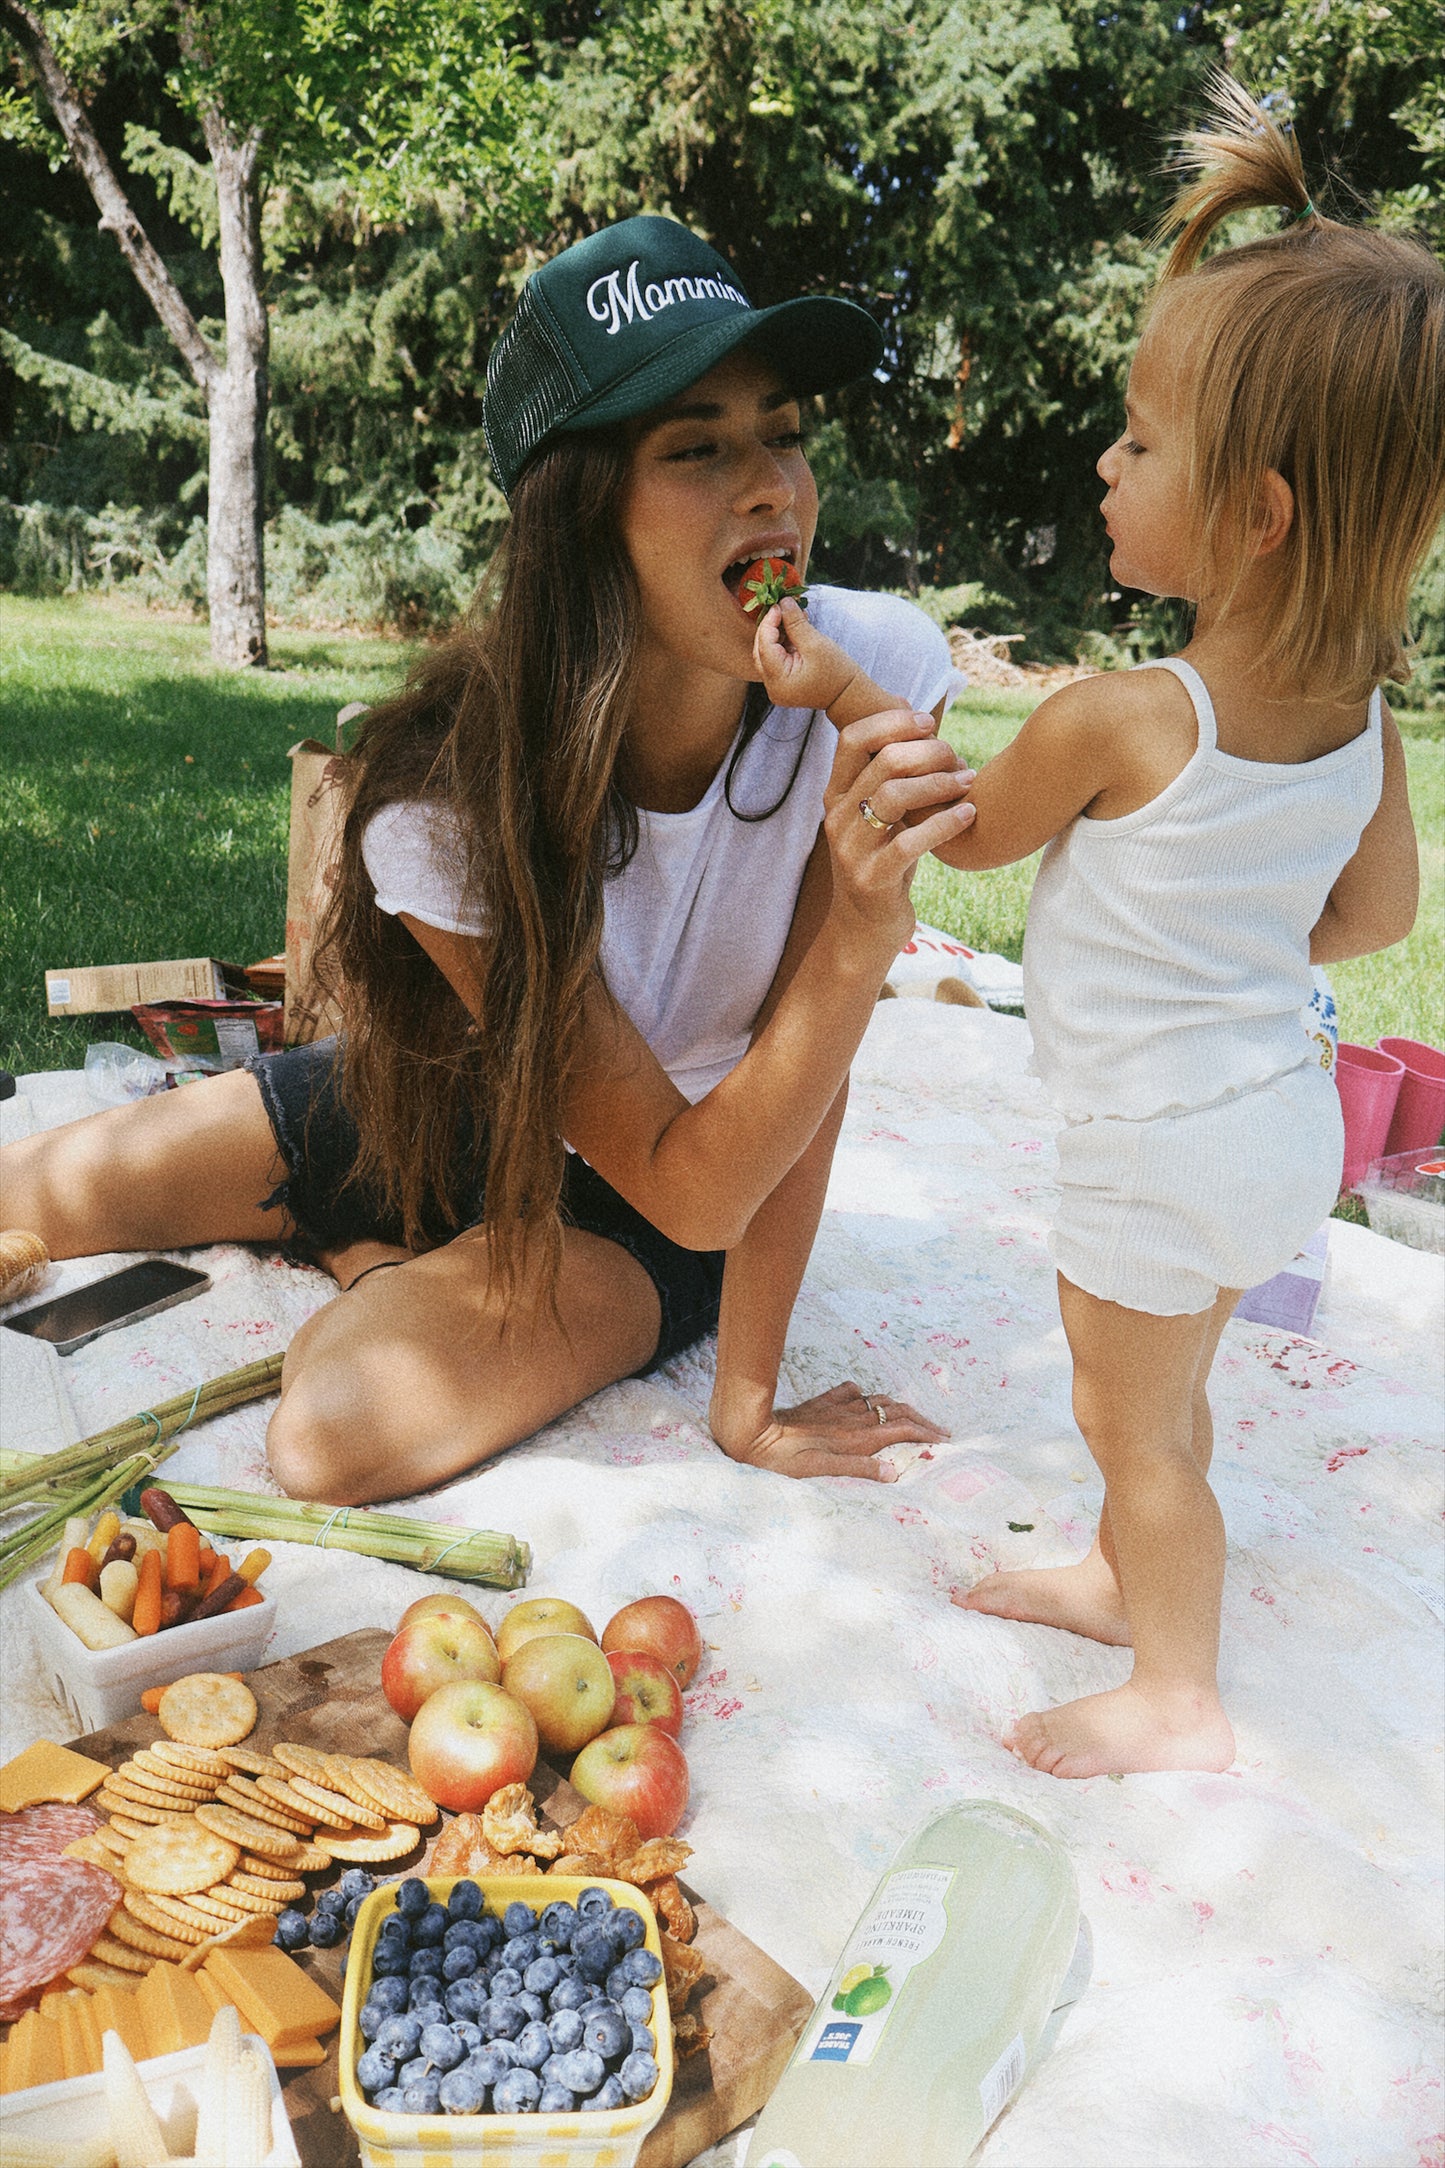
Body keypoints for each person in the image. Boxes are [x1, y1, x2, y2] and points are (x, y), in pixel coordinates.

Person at [0, 216, 977, 1504]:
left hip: (666, 1188)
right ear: (582, 517)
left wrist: (745, 1404)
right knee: (33, 1184)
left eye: (784, 433)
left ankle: (379, 1258)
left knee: (335, 1433)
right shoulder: (449, 790)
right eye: (696, 447)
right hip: (452, 1093)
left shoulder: (881, 677)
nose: (771, 487)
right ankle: (380, 1233)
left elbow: (746, 1137)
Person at [929, 79, 1441, 1776]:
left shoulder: (1119, 715)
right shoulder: (1356, 715)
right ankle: (1110, 1574)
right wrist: (1226, 938)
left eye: (1140, 442)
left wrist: (850, 707)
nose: (1104, 458)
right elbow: (1376, 913)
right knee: (1167, 1390)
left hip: (1150, 1141)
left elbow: (959, 832)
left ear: (1257, 514)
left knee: (1126, 1417)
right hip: (1274, 1129)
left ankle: (1175, 1693)